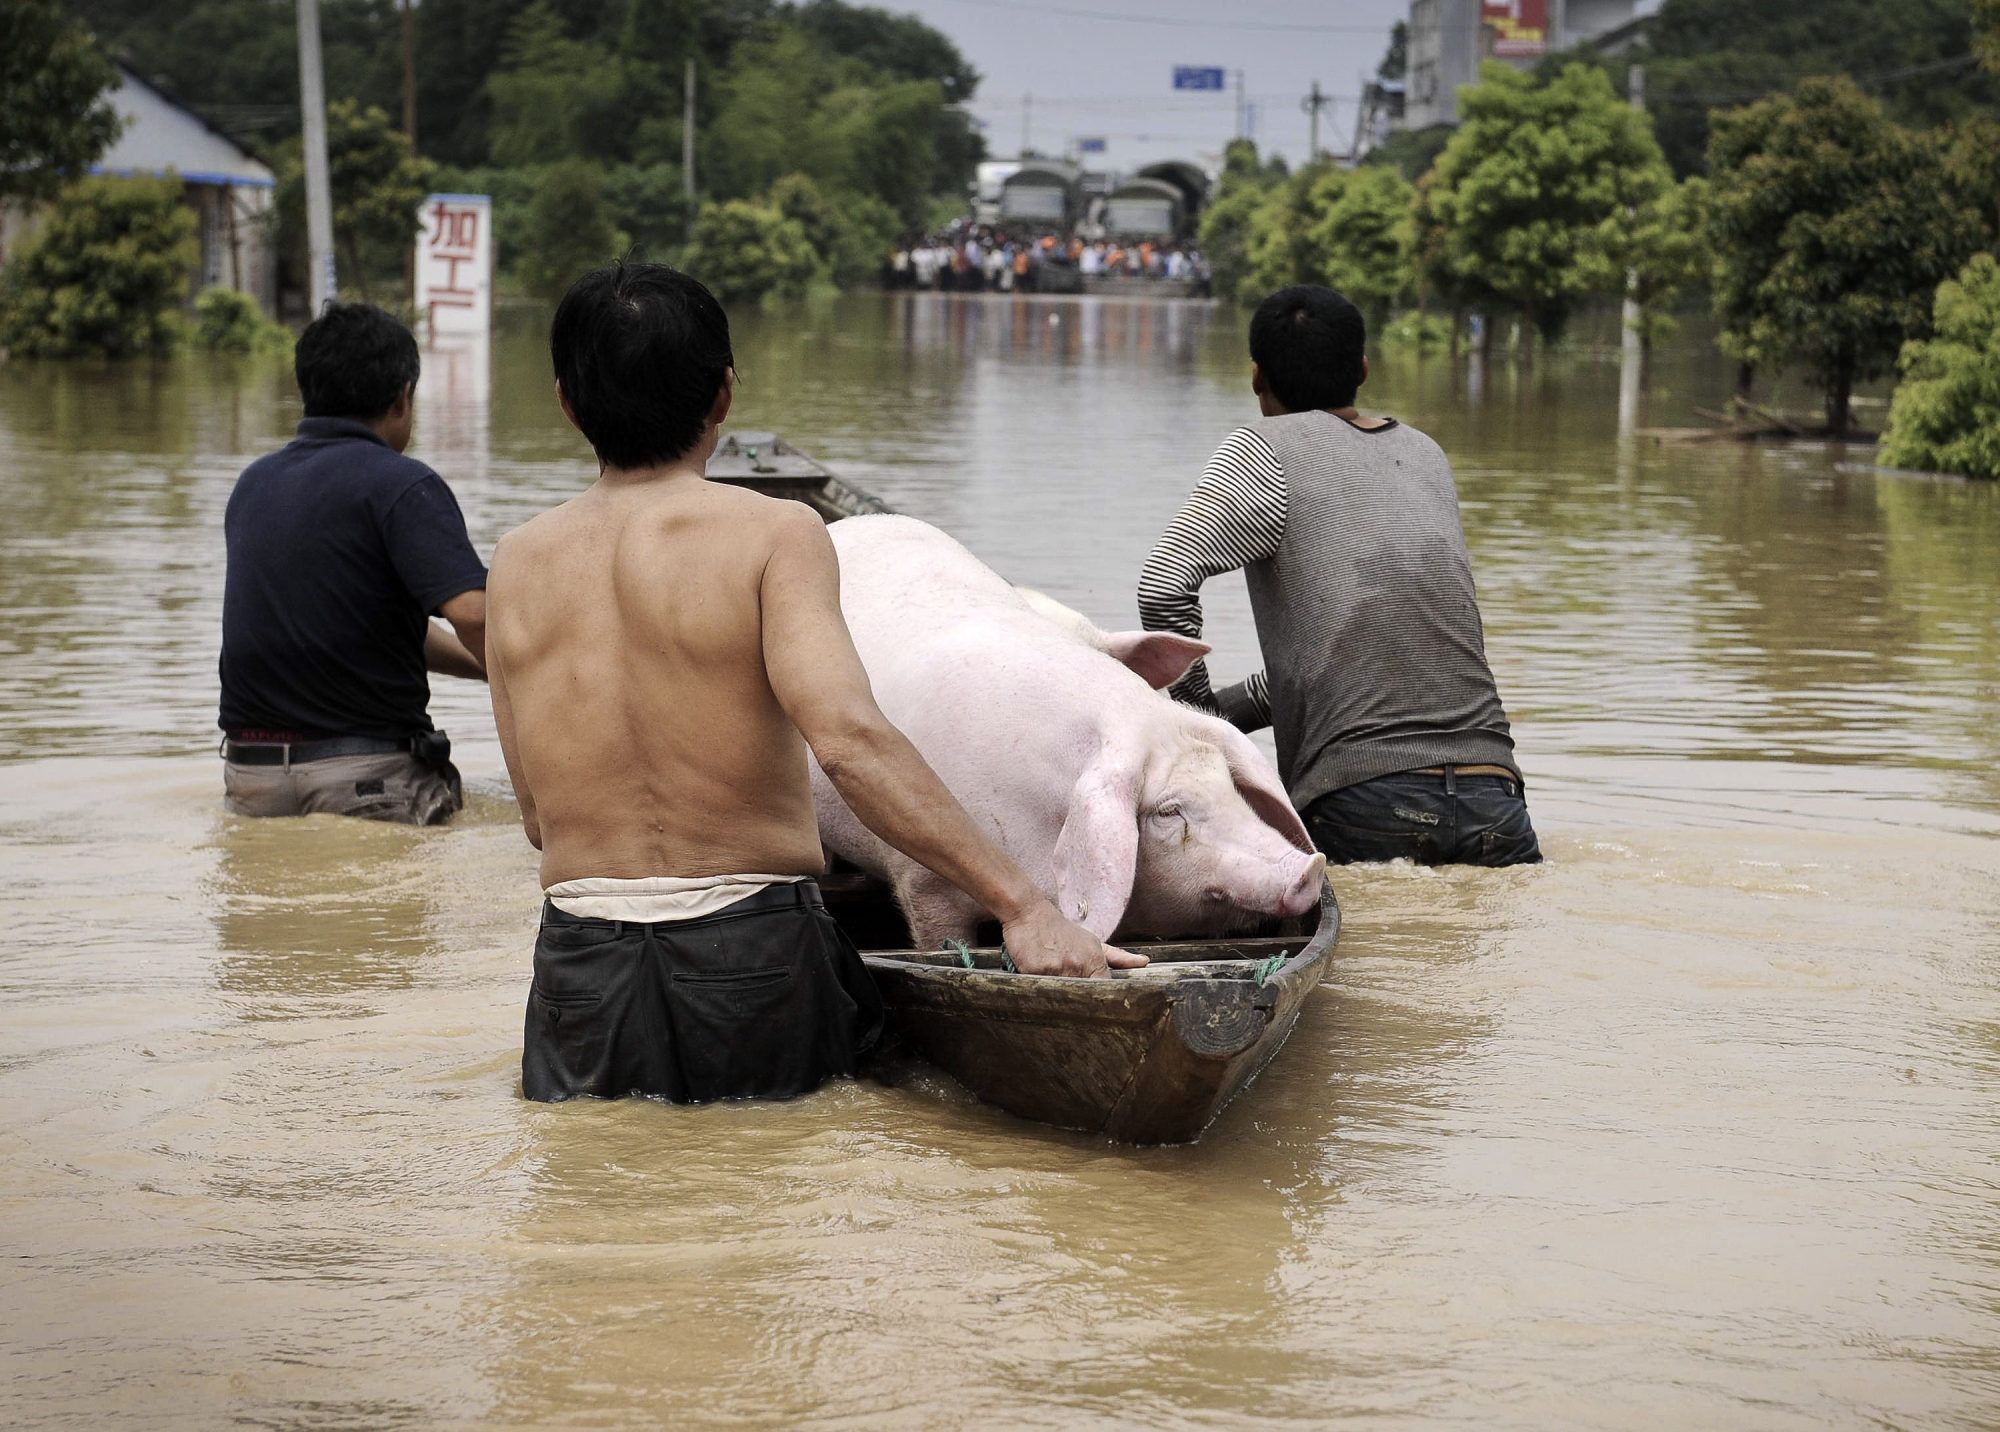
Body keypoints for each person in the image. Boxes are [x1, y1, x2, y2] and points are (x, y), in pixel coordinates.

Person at [485, 263, 1142, 1106]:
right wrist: (1022, 905)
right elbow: (850, 742)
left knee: (600, 1204)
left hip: (579, 968)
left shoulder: (516, 564)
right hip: (748, 957)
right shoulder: (775, 533)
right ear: (723, 395)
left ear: (567, 406)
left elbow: (540, 822)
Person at [1137, 285, 1540, 867]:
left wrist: (1197, 726)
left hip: (1360, 803)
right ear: (1362, 369)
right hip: (1497, 798)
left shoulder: (1262, 449)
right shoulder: (1425, 455)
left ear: (1256, 376)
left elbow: (1164, 586)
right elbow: (1368, 657)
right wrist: (1229, 714)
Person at [218, 302, 488, 824]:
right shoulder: (403, 485)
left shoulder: (254, 485)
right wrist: (529, 676)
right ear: (403, 396)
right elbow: (474, 614)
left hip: (252, 780)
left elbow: (360, 626)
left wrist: (484, 670)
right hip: (370, 779)